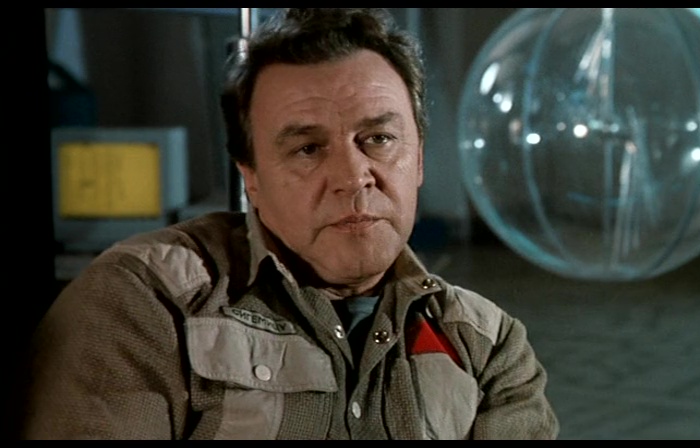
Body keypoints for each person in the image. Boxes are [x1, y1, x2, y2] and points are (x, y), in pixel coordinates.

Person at [16, 8, 558, 439]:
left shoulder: (485, 345)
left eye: (379, 139)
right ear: (250, 176)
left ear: (418, 159)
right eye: (308, 148)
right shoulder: (148, 303)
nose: (353, 176)